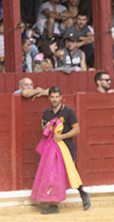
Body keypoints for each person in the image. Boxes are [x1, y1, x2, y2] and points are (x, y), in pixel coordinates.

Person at [34, 86, 91, 214]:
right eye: (52, 97)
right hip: (52, 148)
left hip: (66, 147)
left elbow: (76, 129)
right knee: (51, 174)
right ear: (49, 98)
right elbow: (44, 129)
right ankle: (53, 206)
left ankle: (83, 193)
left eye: (56, 97)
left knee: (69, 173)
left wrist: (62, 136)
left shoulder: (68, 111)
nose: (54, 99)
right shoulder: (46, 113)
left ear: (60, 97)